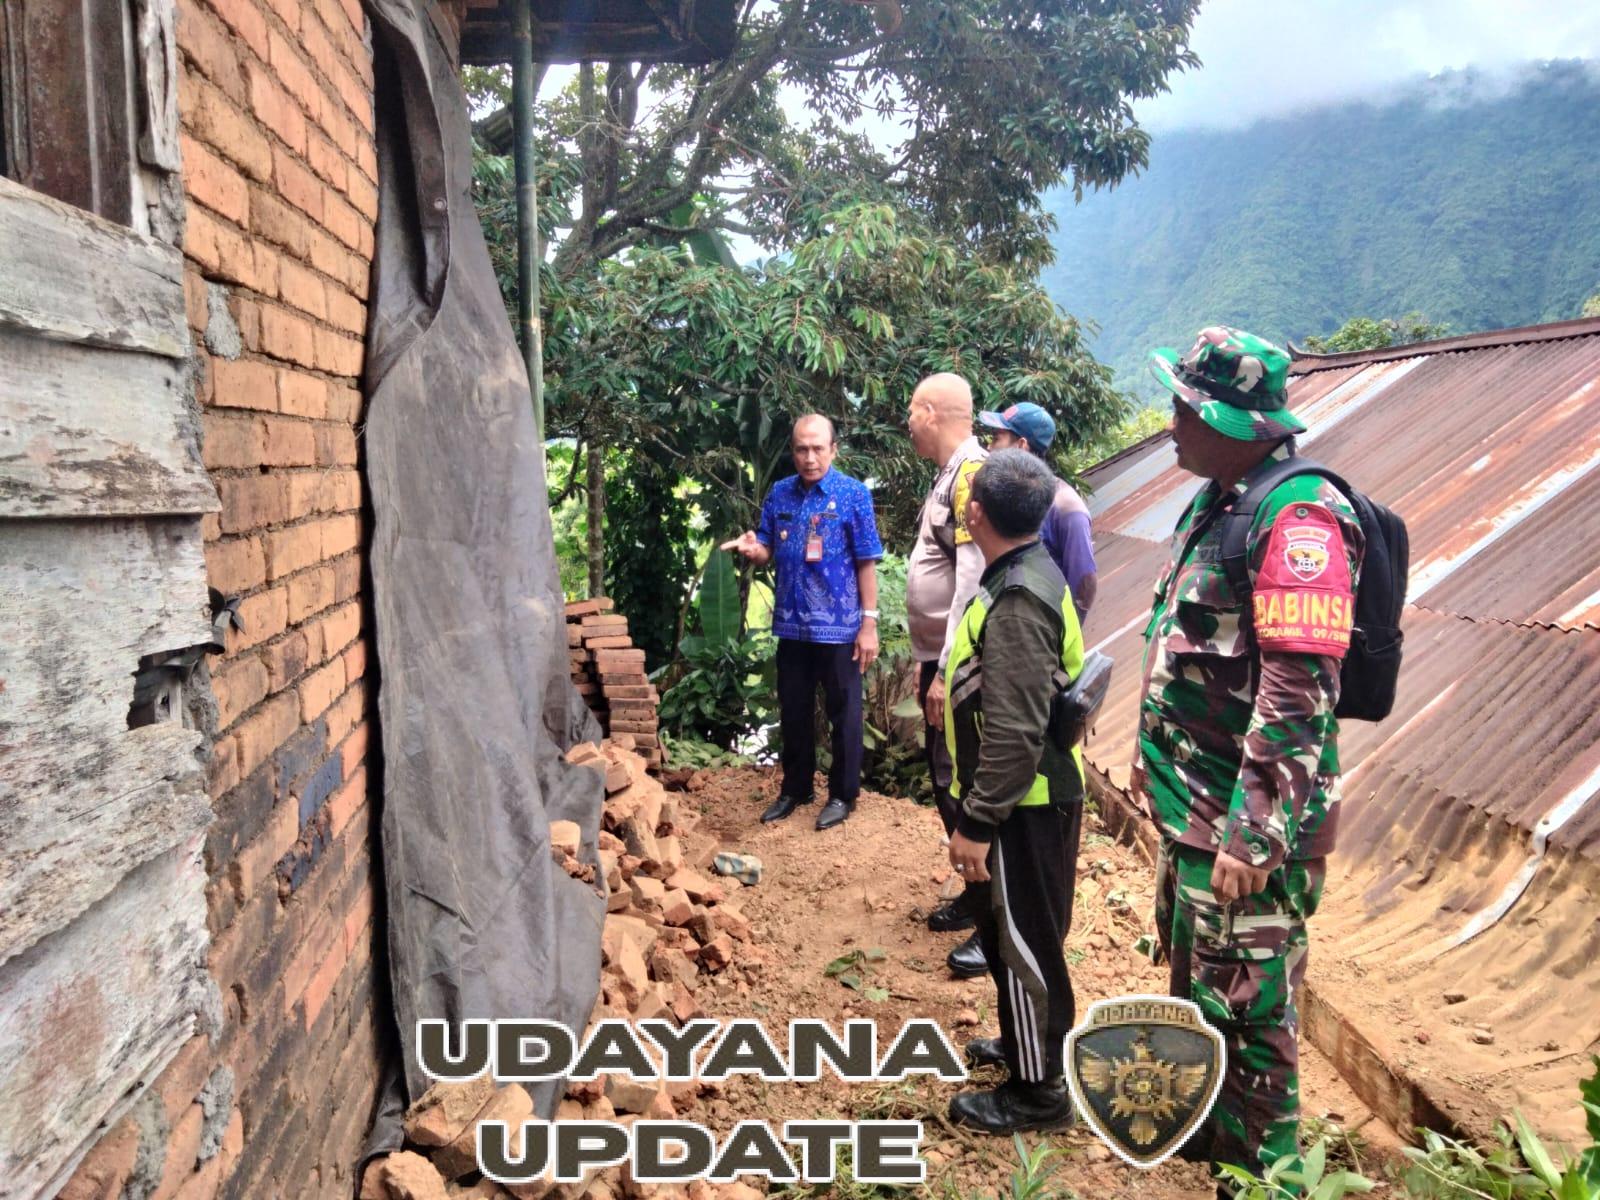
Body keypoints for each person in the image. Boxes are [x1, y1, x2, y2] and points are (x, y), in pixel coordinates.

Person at [1135, 326, 1365, 1184]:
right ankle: (1213, 1147)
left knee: (1251, 1016)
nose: (1171, 424)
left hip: (1240, 827)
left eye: (1185, 410)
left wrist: (1254, 832)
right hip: (1197, 812)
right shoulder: (1220, 501)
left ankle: (1269, 1179)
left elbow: (1298, 694)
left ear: (1234, 422)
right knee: (1207, 996)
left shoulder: (1298, 517)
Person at [942, 449, 1085, 1135]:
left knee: (1026, 946)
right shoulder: (1027, 571)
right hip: (1023, 799)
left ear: (976, 514)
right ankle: (1027, 1045)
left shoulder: (1019, 600)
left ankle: (1040, 1092)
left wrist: (977, 821)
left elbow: (1015, 731)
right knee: (1012, 937)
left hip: (1022, 805)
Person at [723, 414, 884, 831]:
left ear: (833, 450)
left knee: (844, 713)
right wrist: (753, 549)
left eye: (817, 449)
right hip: (792, 626)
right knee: (793, 710)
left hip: (840, 627)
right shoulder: (780, 493)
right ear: (793, 451)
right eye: (801, 449)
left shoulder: (853, 495)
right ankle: (796, 789)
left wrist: (868, 624)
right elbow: (766, 549)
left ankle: (843, 795)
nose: (810, 458)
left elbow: (866, 561)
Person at [903, 373, 989, 978]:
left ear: (931, 412)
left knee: (961, 780)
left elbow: (972, 581)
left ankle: (993, 916)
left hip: (959, 665)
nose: (908, 422)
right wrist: (926, 655)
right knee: (945, 778)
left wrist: (946, 670)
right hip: (939, 657)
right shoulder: (949, 474)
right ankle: (975, 896)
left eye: (912, 410)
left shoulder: (970, 477)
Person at [976, 401, 1098, 617]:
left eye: (996, 439)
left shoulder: (1066, 508)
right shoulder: (1003, 500)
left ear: (1021, 445)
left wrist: (1057, 633)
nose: (989, 448)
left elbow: (1084, 585)